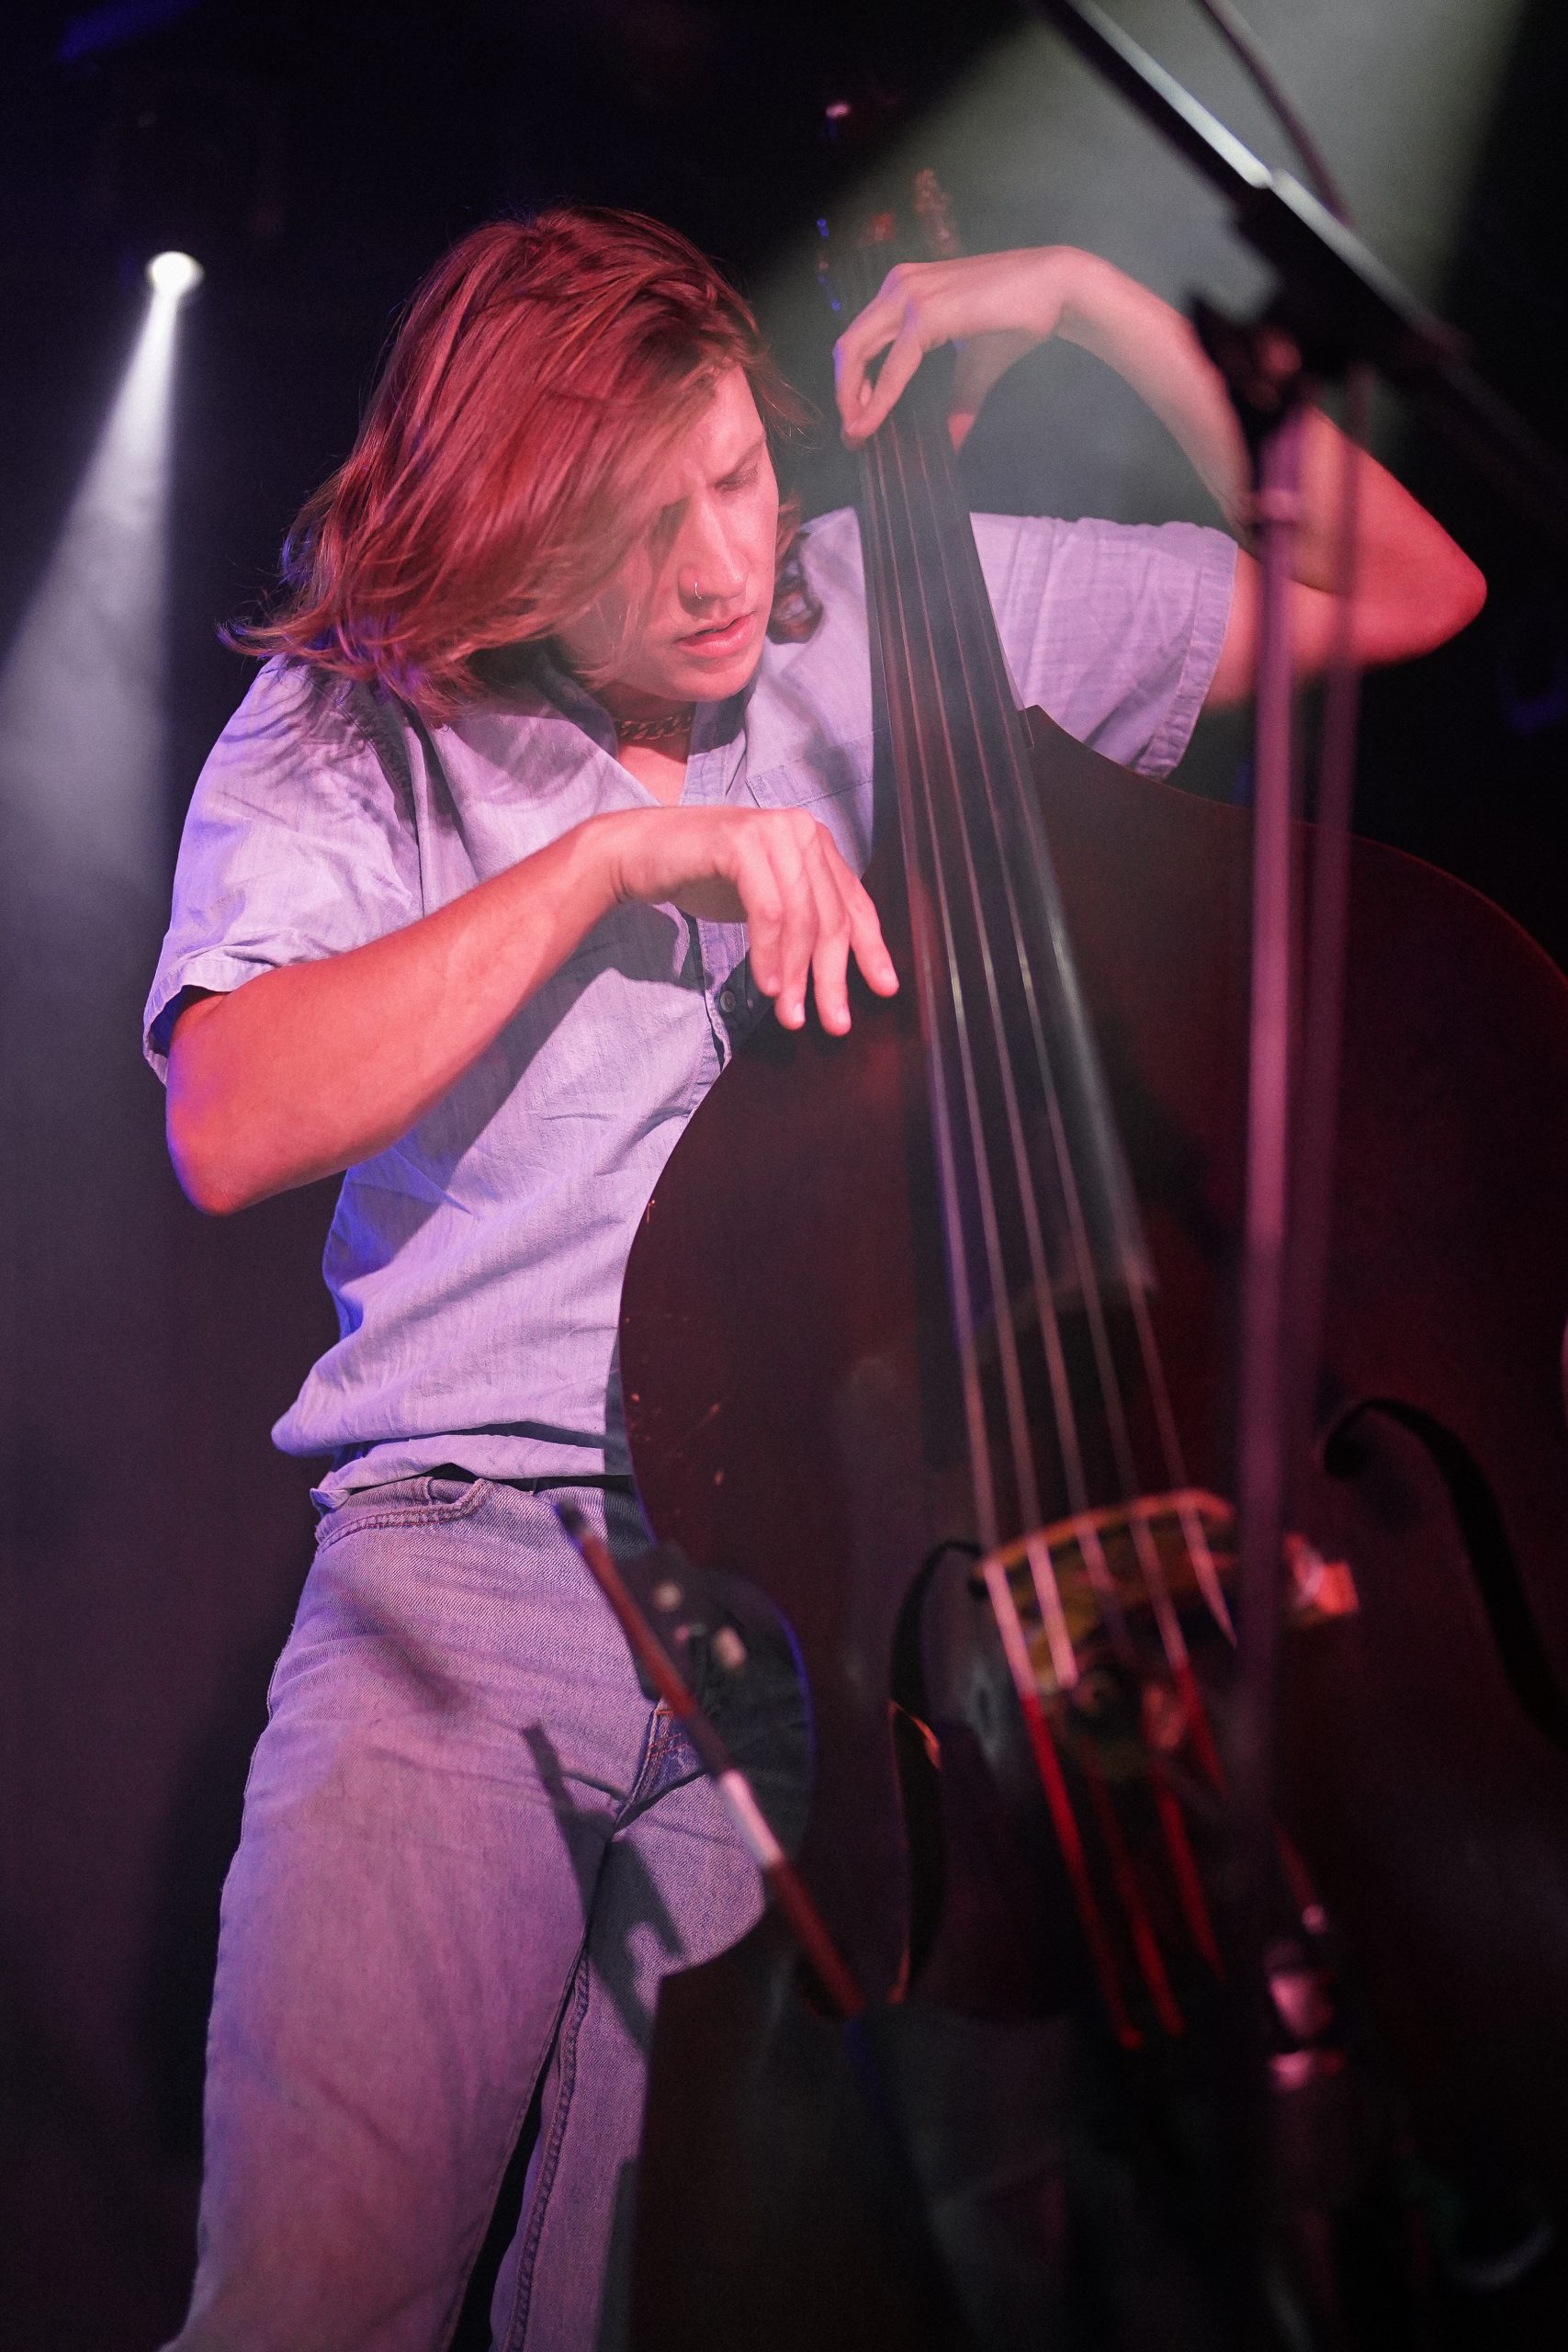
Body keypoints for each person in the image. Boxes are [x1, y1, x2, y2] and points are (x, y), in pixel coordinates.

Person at [144, 206, 1482, 2351]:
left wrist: (1091, 304)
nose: (715, 566)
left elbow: (1401, 587)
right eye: (636, 531)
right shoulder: (359, 715)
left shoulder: (882, 608)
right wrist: (613, 857)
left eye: (734, 477)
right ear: (511, 544)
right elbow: (229, 1112)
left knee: (651, 2309)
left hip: (801, 1629)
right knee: (314, 2301)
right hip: (466, 1577)